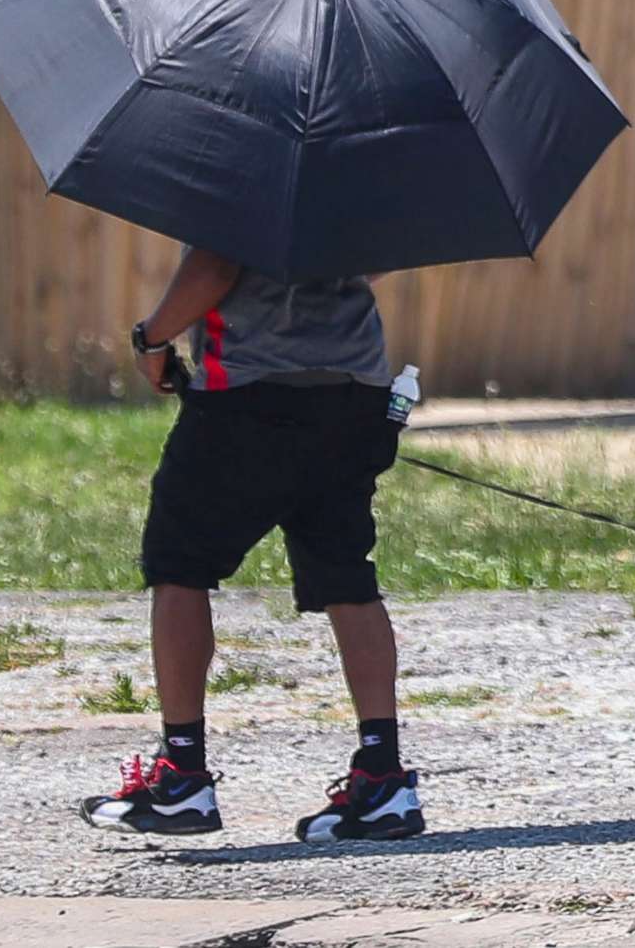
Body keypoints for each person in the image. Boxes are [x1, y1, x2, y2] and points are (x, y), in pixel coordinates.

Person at [79, 248, 427, 842]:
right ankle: (383, 778)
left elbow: (215, 268)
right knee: (346, 574)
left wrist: (151, 339)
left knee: (179, 566)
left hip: (249, 394)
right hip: (356, 391)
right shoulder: (352, 158)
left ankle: (182, 774)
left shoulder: (240, 162)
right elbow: (371, 257)